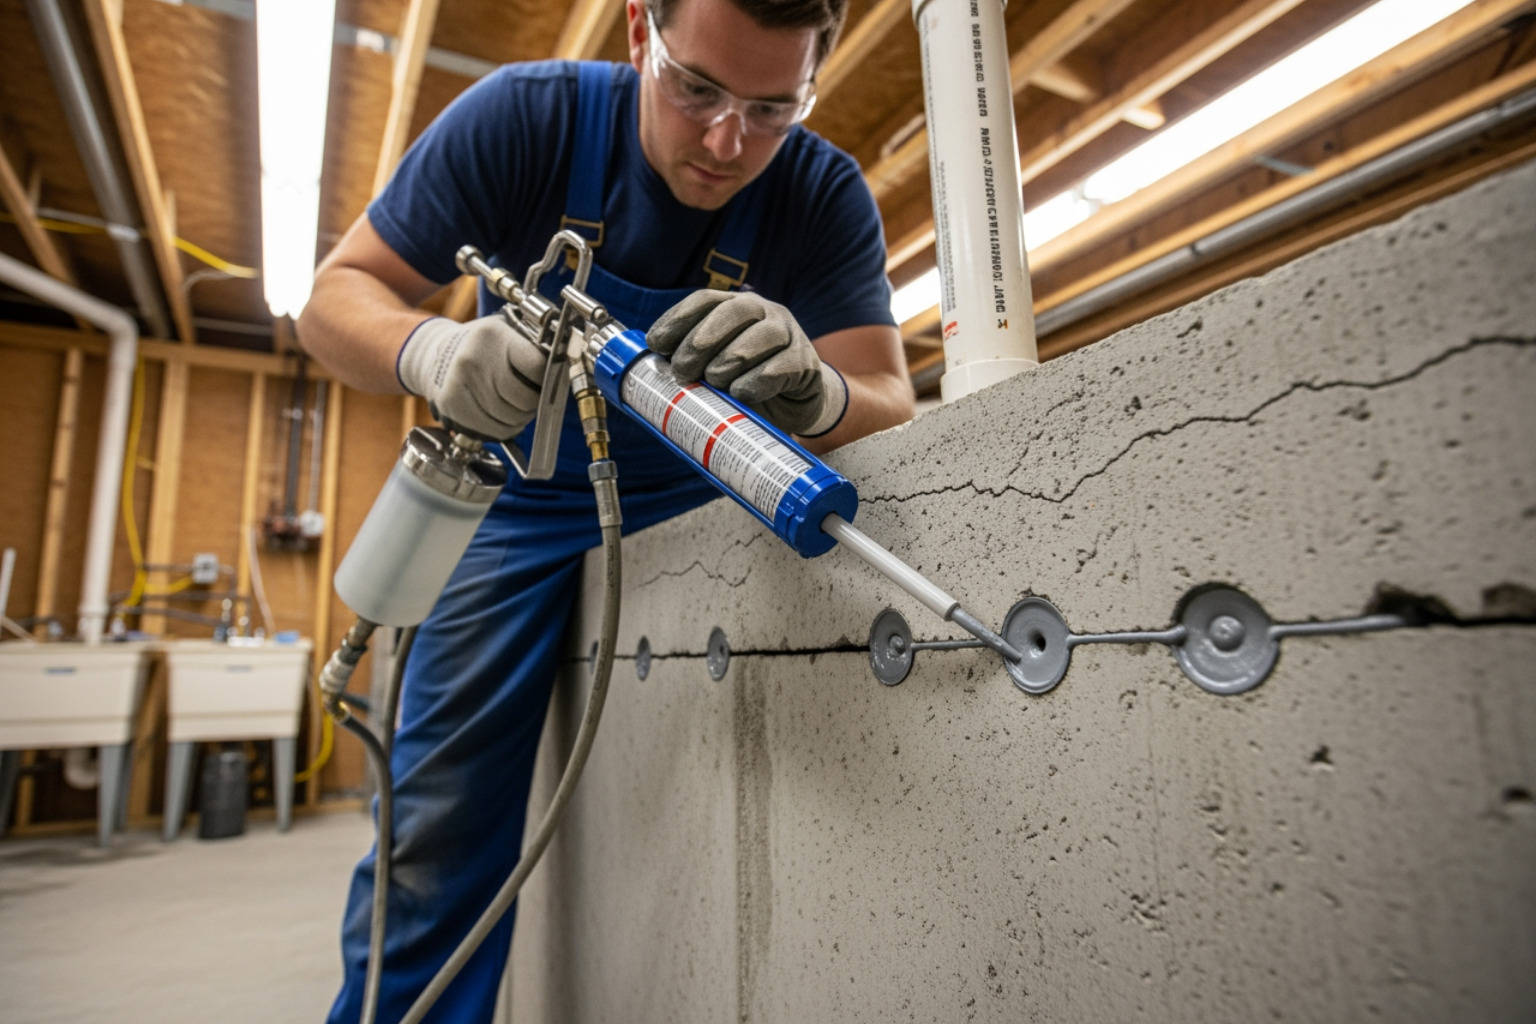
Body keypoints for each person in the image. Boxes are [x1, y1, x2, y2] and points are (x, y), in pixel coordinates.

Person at [298, 0, 913, 1018]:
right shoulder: (524, 118)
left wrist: (820, 394)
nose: (727, 143)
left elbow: (890, 395)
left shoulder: (821, 193)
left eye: (772, 108)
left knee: (728, 819)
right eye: (697, 89)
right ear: (638, 32)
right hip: (516, 505)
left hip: (701, 509)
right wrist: (431, 350)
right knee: (435, 825)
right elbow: (333, 297)